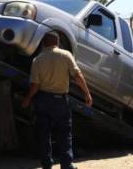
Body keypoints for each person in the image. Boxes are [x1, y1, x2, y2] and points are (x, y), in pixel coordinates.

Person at [21, 31, 92, 169]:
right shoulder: (65, 55)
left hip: (43, 100)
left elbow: (35, 86)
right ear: (57, 42)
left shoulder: (38, 60)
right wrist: (87, 94)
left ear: (43, 43)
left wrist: (28, 99)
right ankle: (66, 164)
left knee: (44, 134)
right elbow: (77, 76)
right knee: (64, 133)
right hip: (60, 101)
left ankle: (47, 164)